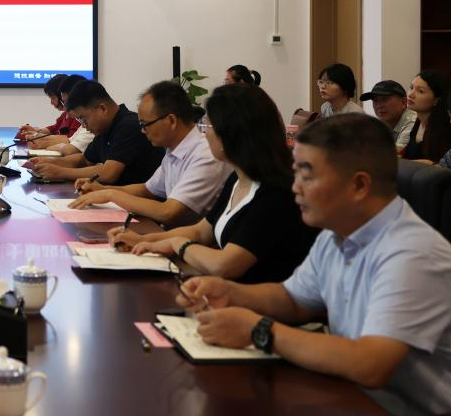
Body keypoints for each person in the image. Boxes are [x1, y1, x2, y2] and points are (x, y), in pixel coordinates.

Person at [181, 114, 451, 416]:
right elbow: (292, 300)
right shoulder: (336, 235)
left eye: (307, 176)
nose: (295, 188)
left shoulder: (412, 255)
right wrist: (231, 292)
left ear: (359, 185)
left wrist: (259, 330)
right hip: (365, 410)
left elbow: (370, 364)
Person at [112, 84, 316, 283]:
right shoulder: (237, 178)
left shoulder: (275, 191)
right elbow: (200, 232)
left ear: (230, 134)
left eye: (208, 125)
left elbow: (225, 264)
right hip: (230, 291)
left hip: (255, 298)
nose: (204, 133)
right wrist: (143, 240)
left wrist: (176, 244)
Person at [68, 80, 231, 226]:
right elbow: (147, 190)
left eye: (145, 124)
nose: (143, 131)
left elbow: (168, 212)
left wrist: (111, 195)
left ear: (171, 120)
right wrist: (101, 189)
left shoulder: (204, 155)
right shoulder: (174, 150)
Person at [26, 80, 164, 184]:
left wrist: (61, 172)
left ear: (102, 109)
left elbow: (108, 174)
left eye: (83, 118)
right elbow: (84, 160)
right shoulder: (105, 128)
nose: (84, 125)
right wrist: (50, 162)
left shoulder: (128, 126)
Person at [403, 70, 451, 163]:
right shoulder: (417, 122)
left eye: (420, 91)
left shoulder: (445, 129)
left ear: (436, 100)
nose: (410, 95)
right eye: (411, 88)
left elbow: (441, 166)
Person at [17, 74, 80, 148]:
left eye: (53, 98)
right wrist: (36, 131)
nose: (51, 102)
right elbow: (53, 128)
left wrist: (40, 138)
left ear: (62, 96)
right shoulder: (64, 115)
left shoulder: (77, 118)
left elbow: (72, 139)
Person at [360, 80, 417, 153]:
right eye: (375, 101)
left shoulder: (413, 120)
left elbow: (396, 152)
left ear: (403, 102)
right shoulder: (380, 124)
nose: (379, 106)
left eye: (385, 99)